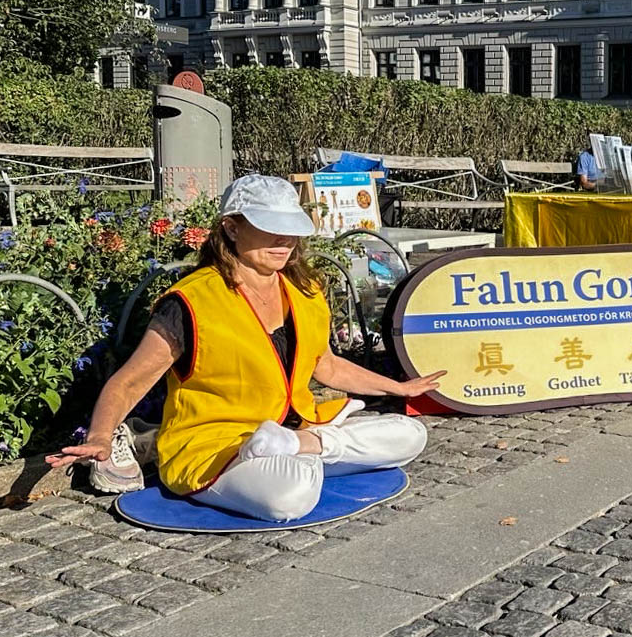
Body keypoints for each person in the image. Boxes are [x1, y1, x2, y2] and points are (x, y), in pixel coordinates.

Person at [48, 175, 446, 522]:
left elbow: (325, 365)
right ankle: (296, 453)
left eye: (290, 228)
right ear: (232, 229)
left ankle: (296, 447)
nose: (284, 239)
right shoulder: (189, 302)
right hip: (215, 445)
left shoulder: (305, 291)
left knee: (411, 435)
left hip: (297, 429)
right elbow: (130, 382)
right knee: (290, 497)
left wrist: (400, 388)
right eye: (270, 227)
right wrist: (100, 437)